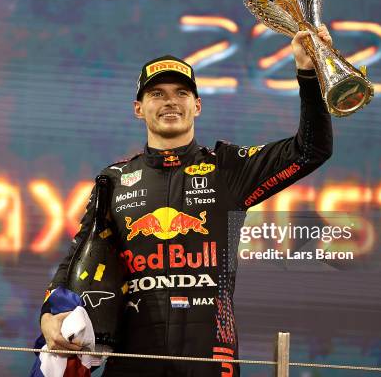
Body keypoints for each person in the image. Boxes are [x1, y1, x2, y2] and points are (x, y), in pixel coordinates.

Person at [40, 26, 334, 376]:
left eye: (181, 93)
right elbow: (77, 256)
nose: (170, 101)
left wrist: (309, 74)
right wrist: (49, 312)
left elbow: (310, 150)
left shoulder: (227, 168)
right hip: (133, 363)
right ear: (138, 108)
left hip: (210, 362)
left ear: (197, 105)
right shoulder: (113, 180)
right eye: (157, 93)